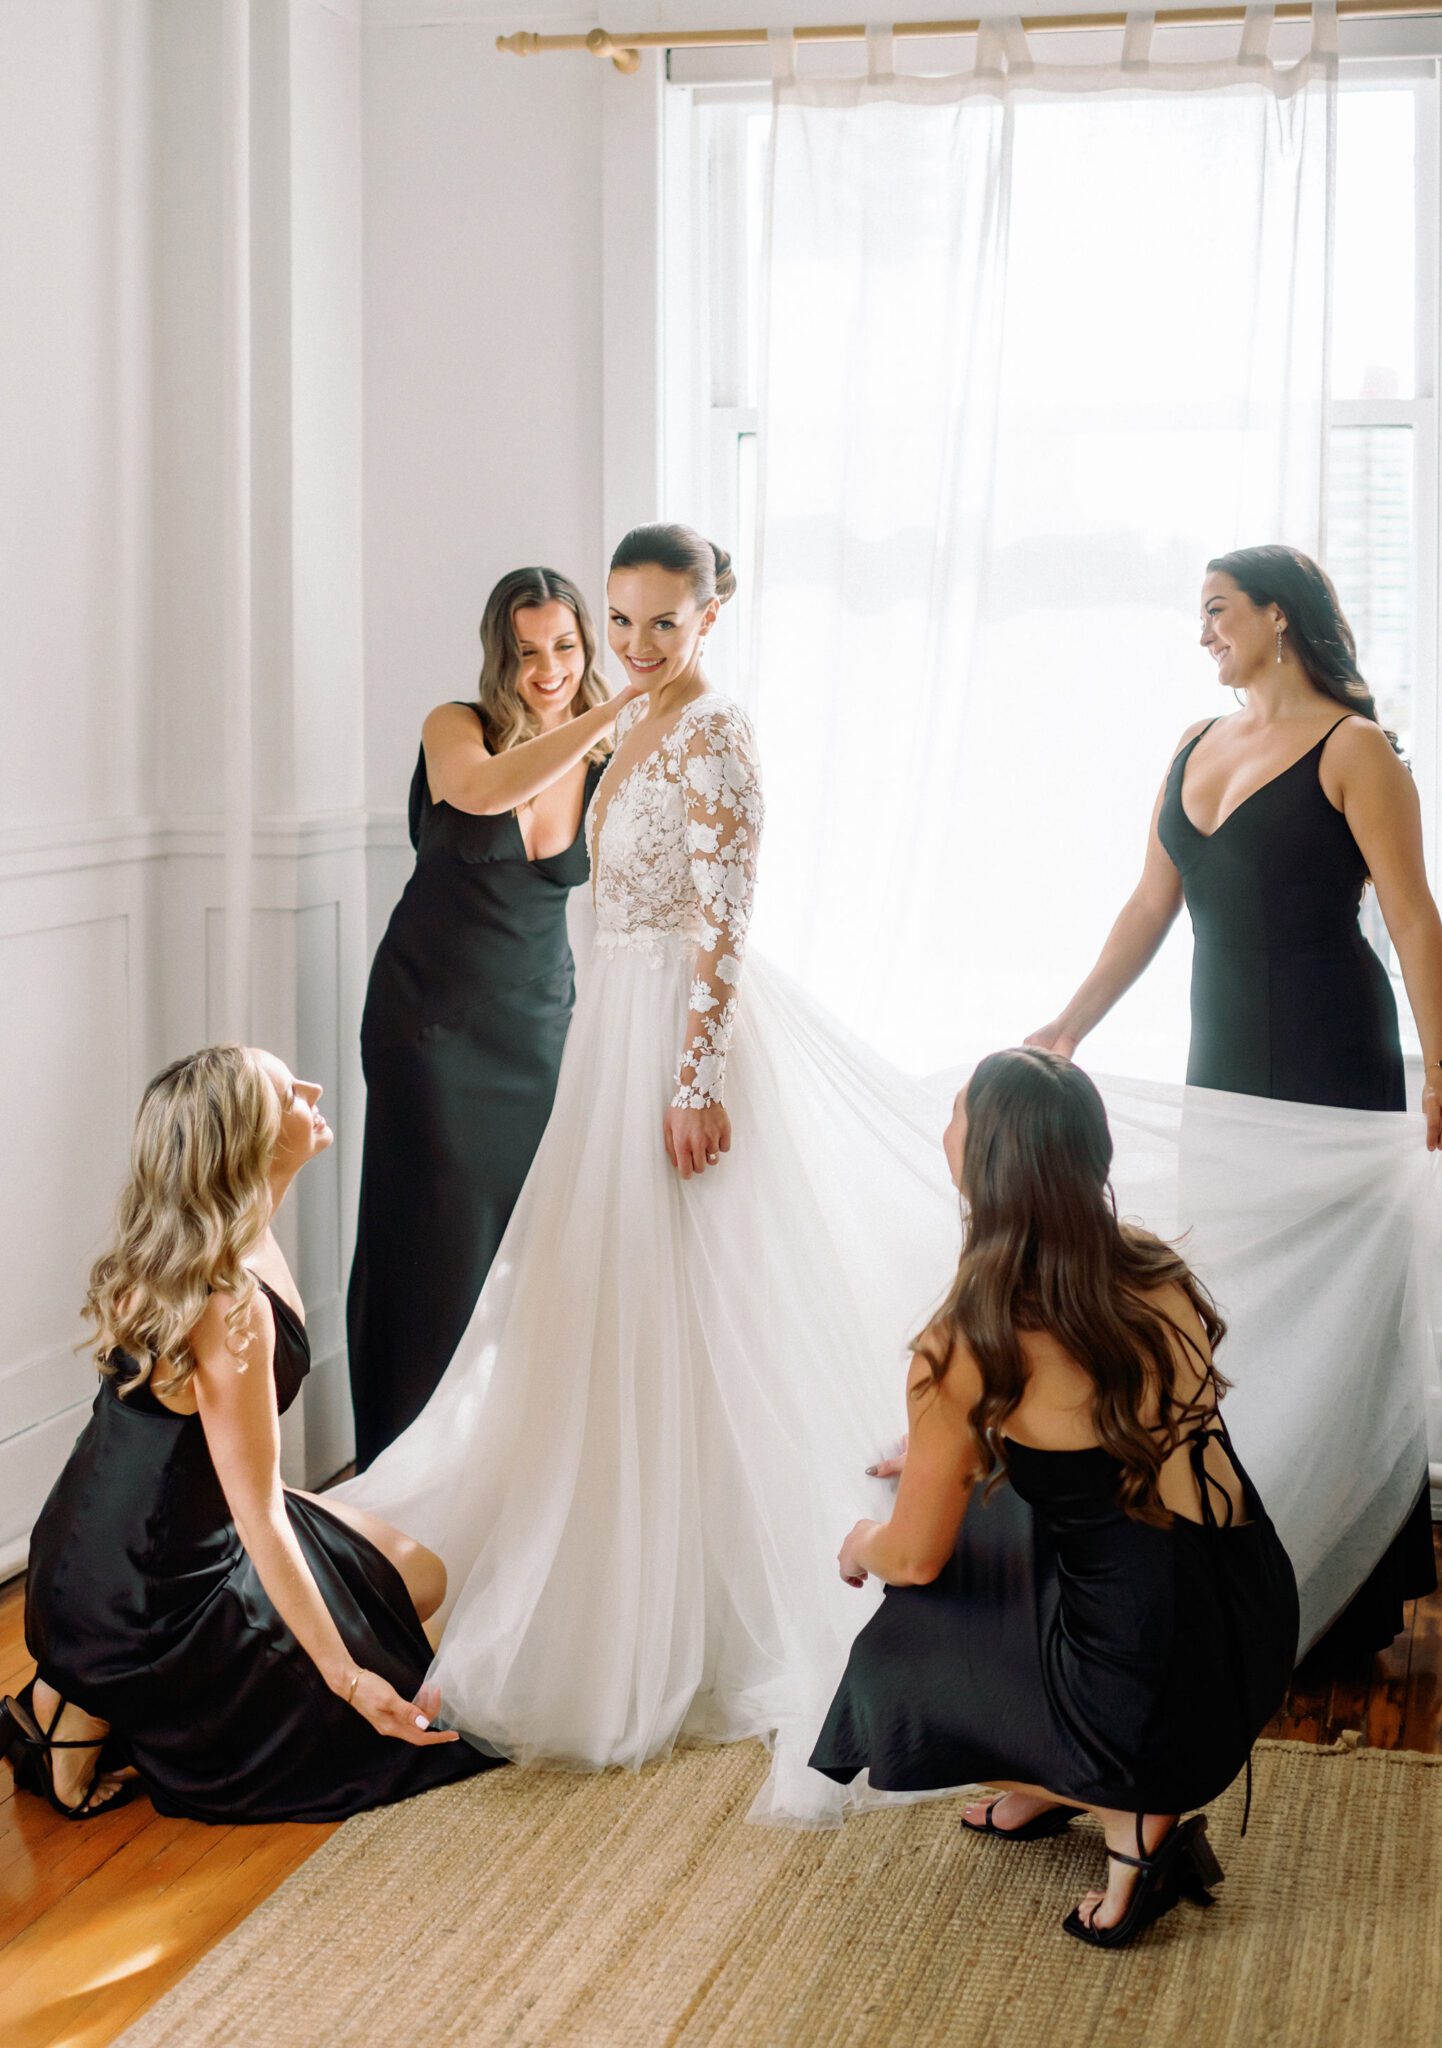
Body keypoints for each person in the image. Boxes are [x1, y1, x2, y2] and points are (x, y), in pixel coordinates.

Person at [336, 523, 964, 1824]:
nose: (629, 648)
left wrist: (692, 1081)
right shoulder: (610, 729)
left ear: (709, 620)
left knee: (690, 1300)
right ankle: (586, 1564)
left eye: (654, 625)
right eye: (615, 622)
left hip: (671, 1040)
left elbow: (726, 915)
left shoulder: (712, 734)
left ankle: (707, 1602)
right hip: (595, 1032)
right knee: (589, 1300)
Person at [1026, 544, 1439, 1649]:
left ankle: (1345, 1595)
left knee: (1341, 1309)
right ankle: (1247, 1558)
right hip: (1222, 1067)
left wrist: (1439, 1068)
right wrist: (1068, 1024)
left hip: (1329, 1059)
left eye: (1216, 610)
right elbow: (1148, 907)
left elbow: (1410, 919)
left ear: (1277, 616)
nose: (1202, 629)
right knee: (1231, 1304)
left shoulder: (1354, 749)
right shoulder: (1188, 746)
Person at [810, 1049, 1299, 1948]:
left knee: (906, 1637)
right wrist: (937, 1445)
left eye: (957, 1109)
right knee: (1012, 1518)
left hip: (1145, 1685)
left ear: (985, 1161)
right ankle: (1055, 1779)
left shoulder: (966, 1342)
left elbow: (912, 1554)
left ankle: (1133, 1823)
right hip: (1253, 1615)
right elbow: (1089, 1433)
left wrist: (857, 1542)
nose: (943, 1124)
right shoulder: (1150, 1269)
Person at [6, 1046, 493, 1823]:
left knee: (419, 1577)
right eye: (285, 1094)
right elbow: (259, 1516)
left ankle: (78, 1685)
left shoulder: (184, 1246)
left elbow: (165, 1456)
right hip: (154, 1599)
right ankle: (90, 1702)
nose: (312, 1090)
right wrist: (346, 1678)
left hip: (76, 1556)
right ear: (247, 1144)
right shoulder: (230, 1302)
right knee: (390, 1637)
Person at [347, 568, 641, 1468]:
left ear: (585, 644)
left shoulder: (616, 762)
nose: (548, 669)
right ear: (498, 656)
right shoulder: (457, 727)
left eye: (565, 646)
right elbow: (478, 795)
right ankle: (396, 1470)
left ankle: (502, 1476)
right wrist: (614, 708)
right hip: (428, 1022)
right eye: (526, 652)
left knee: (536, 1256)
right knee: (428, 1249)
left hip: (537, 1026)